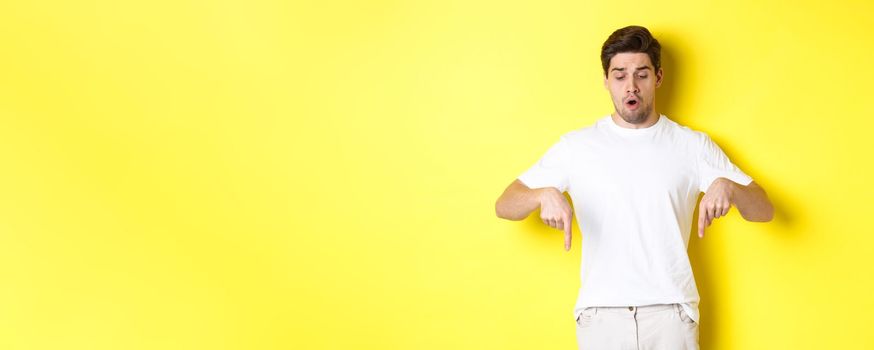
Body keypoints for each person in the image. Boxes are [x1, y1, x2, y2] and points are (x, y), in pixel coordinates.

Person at [494, 25, 774, 349]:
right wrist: (542, 194)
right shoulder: (577, 147)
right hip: (601, 318)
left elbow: (764, 210)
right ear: (606, 81)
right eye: (620, 75)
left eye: (641, 75)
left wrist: (730, 187)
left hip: (671, 316)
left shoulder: (691, 145)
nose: (631, 86)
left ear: (658, 77)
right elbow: (505, 204)